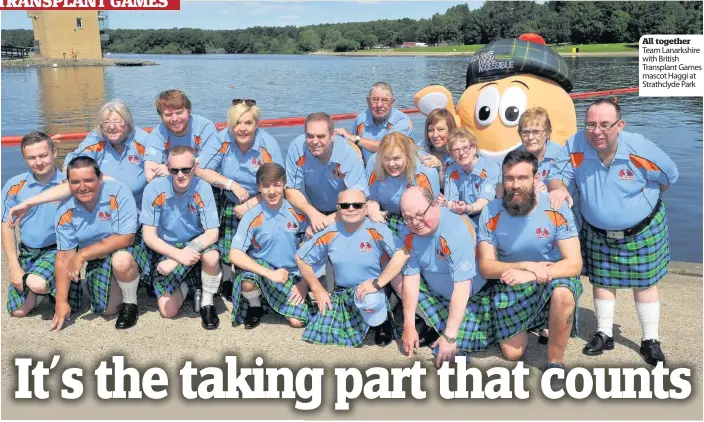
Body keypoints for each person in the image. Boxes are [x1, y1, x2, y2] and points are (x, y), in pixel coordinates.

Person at [547, 99, 679, 365]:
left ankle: (649, 339)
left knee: (645, 285)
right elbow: (557, 174)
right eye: (591, 124)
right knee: (602, 282)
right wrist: (558, 188)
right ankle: (604, 333)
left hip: (642, 229)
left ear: (620, 125)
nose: (597, 131)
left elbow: (668, 177)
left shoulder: (639, 148)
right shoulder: (575, 145)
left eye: (605, 125)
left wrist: (633, 206)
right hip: (597, 230)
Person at [477, 149, 583, 369]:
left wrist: (534, 275)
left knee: (564, 292)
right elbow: (486, 267)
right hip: (511, 280)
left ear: (536, 179)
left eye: (522, 178)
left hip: (551, 278)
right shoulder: (491, 211)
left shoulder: (556, 207)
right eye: (509, 178)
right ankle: (536, 322)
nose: (515, 185)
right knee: (512, 354)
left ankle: (555, 362)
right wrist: (525, 268)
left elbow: (574, 263)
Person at [295, 189, 408, 347]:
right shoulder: (330, 232)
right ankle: (365, 316)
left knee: (370, 301)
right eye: (345, 205)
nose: (351, 209)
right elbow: (300, 258)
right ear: (338, 208)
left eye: (357, 205)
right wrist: (317, 289)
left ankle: (382, 322)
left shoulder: (377, 229)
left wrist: (378, 283)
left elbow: (402, 254)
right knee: (321, 332)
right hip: (343, 292)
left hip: (373, 289)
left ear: (365, 208)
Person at [197, 100, 284, 298]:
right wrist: (230, 185)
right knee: (226, 235)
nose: (242, 128)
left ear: (257, 124)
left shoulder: (268, 144)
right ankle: (227, 277)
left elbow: (277, 185)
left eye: (248, 123)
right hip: (231, 196)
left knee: (258, 243)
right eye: (237, 123)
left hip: (263, 198)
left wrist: (252, 204)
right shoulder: (223, 139)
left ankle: (255, 279)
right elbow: (201, 169)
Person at [51, 157, 149, 331]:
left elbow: (127, 238)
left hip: (127, 247)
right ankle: (130, 282)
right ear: (68, 183)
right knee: (108, 310)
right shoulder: (64, 210)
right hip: (97, 256)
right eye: (75, 182)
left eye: (88, 180)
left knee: (122, 260)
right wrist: (61, 301)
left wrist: (82, 254)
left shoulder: (118, 192)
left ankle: (131, 303)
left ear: (101, 177)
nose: (82, 187)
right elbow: (64, 255)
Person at [399, 186, 492, 368]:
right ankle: (431, 323)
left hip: (469, 295)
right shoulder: (408, 231)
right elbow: (411, 277)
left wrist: (450, 336)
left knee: (511, 351)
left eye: (420, 214)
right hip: (434, 291)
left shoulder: (456, 230)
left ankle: (443, 330)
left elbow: (462, 287)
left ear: (434, 204)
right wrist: (408, 324)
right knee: (397, 277)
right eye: (408, 218)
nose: (415, 223)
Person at [229, 163, 321, 329]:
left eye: (277, 185)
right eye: (266, 186)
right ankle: (255, 305)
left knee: (298, 322)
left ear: (284, 184)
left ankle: (271, 299)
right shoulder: (252, 216)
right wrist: (270, 274)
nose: (272, 191)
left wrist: (304, 283)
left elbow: (316, 252)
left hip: (292, 274)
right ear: (259, 187)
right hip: (263, 271)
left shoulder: (299, 213)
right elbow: (234, 255)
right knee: (247, 281)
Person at [140, 146, 221, 329]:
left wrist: (179, 258)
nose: (180, 175)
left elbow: (212, 233)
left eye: (186, 169)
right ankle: (190, 285)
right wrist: (176, 255)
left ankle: (207, 303)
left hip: (196, 242)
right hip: (166, 245)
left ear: (195, 167)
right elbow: (149, 237)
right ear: (167, 168)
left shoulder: (203, 187)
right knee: (167, 312)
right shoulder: (154, 189)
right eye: (174, 170)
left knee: (212, 256)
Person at [1, 132, 80, 316]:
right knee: (17, 312)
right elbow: (6, 225)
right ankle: (41, 292)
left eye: (43, 155)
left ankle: (51, 286)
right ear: (24, 158)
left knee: (37, 283)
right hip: (29, 251)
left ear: (54, 152)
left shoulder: (68, 184)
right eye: (31, 157)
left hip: (59, 250)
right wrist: (13, 266)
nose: (38, 162)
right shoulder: (14, 185)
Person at [285, 112, 367, 233]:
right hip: (308, 209)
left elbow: (357, 201)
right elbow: (291, 189)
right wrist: (313, 214)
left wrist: (323, 222)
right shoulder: (297, 147)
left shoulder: (348, 154)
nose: (314, 141)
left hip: (342, 211)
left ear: (332, 135)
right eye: (310, 136)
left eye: (321, 136)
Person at [366, 132, 440, 238]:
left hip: (418, 220)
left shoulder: (426, 172)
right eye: (386, 159)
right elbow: (371, 198)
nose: (391, 164)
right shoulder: (374, 164)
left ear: (407, 156)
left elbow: (433, 212)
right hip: (388, 216)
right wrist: (374, 212)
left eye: (397, 158)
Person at [144, 89, 219, 182]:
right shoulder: (157, 134)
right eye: (168, 114)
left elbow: (209, 165)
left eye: (179, 112)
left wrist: (170, 169)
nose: (174, 119)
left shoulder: (205, 127)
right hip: (172, 183)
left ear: (189, 111)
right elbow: (150, 175)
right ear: (161, 116)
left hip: (203, 182)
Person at [335, 82, 415, 163]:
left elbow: (389, 147)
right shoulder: (360, 120)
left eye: (385, 100)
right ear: (368, 101)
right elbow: (356, 152)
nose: (379, 105)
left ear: (392, 102)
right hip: (368, 173)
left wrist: (354, 138)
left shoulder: (402, 121)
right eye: (375, 100)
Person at [443, 128, 501, 223]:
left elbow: (484, 201)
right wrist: (449, 204)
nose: (461, 153)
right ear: (451, 154)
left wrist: (467, 208)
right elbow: (451, 201)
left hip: (489, 218)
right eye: (456, 150)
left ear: (474, 148)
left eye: (465, 148)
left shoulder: (490, 168)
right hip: (463, 218)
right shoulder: (451, 171)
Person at [422, 108, 457, 188]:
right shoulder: (423, 148)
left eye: (440, 129)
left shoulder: (459, 153)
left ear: (450, 130)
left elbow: (456, 186)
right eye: (430, 130)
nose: (435, 135)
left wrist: (440, 168)